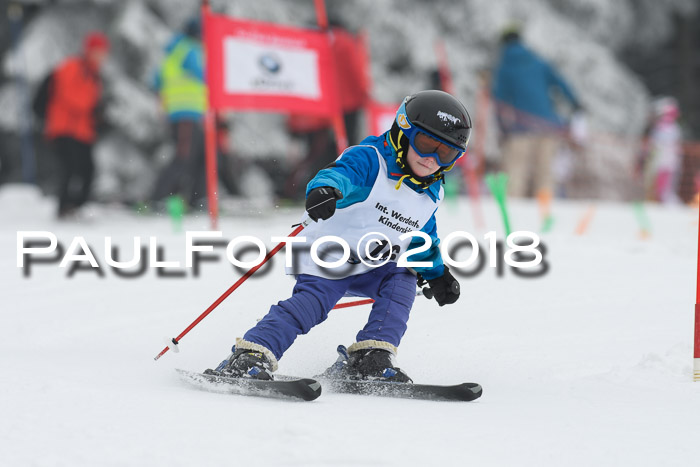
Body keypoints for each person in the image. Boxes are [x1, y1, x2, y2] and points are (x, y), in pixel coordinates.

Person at [208, 90, 470, 382]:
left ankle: (371, 357)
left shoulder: (431, 192)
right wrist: (326, 190)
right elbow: (341, 173)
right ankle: (250, 355)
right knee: (313, 305)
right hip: (329, 254)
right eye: (425, 145)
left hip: (374, 263)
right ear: (403, 130)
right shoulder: (372, 160)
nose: (432, 159)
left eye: (445, 153)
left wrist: (436, 272)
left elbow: (421, 233)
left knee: (403, 278)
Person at [491, 27, 581, 230]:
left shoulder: (505, 66)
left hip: (519, 129)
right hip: (548, 126)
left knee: (515, 172)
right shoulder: (538, 61)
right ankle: (545, 217)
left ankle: (511, 220)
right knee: (545, 173)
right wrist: (576, 104)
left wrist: (502, 127)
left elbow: (499, 102)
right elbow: (561, 83)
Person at [45, 32, 109, 218]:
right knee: (70, 168)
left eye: (103, 52)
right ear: (89, 50)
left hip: (83, 131)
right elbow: (69, 95)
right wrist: (93, 107)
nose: (102, 55)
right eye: (98, 51)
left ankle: (76, 206)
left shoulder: (94, 74)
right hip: (65, 128)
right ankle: (64, 207)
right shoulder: (72, 67)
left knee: (88, 169)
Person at [151, 17, 207, 209]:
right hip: (186, 112)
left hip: (181, 113)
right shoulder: (188, 49)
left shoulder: (172, 53)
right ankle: (159, 198)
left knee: (196, 156)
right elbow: (204, 74)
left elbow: (157, 82)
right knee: (185, 157)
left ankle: (195, 199)